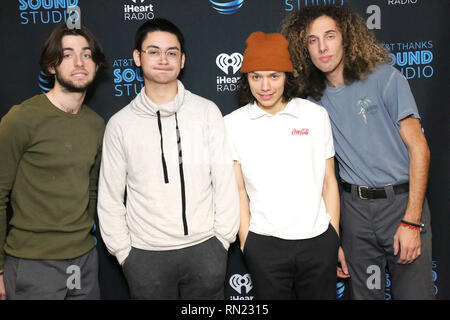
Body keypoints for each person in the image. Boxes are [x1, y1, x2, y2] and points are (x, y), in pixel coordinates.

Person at [281, 4, 434, 300]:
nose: (322, 47)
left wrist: (412, 221)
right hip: (354, 210)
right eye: (312, 40)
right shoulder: (310, 100)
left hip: (400, 203)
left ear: (347, 39)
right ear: (305, 48)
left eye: (330, 36)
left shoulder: (385, 79)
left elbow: (420, 149)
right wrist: (335, 239)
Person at [97, 18, 239, 300]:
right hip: (145, 257)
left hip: (206, 249)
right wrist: (125, 253)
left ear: (182, 60)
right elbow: (110, 197)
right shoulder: (120, 124)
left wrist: (222, 239)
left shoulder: (206, 112)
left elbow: (224, 181)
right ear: (137, 57)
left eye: (171, 52)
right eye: (153, 51)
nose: (163, 59)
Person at [224, 31, 346, 300]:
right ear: (246, 78)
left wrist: (332, 236)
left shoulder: (315, 116)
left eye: (274, 76)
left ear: (287, 77)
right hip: (264, 244)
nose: (265, 86)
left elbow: (329, 181)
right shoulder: (232, 124)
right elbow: (239, 190)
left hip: (317, 242)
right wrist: (248, 243)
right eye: (256, 76)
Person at [0, 24, 107, 300]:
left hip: (84, 260)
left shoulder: (96, 125)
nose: (79, 62)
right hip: (32, 262)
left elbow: (91, 190)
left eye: (86, 54)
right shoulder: (21, 118)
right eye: (67, 54)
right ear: (51, 66)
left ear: (95, 64)